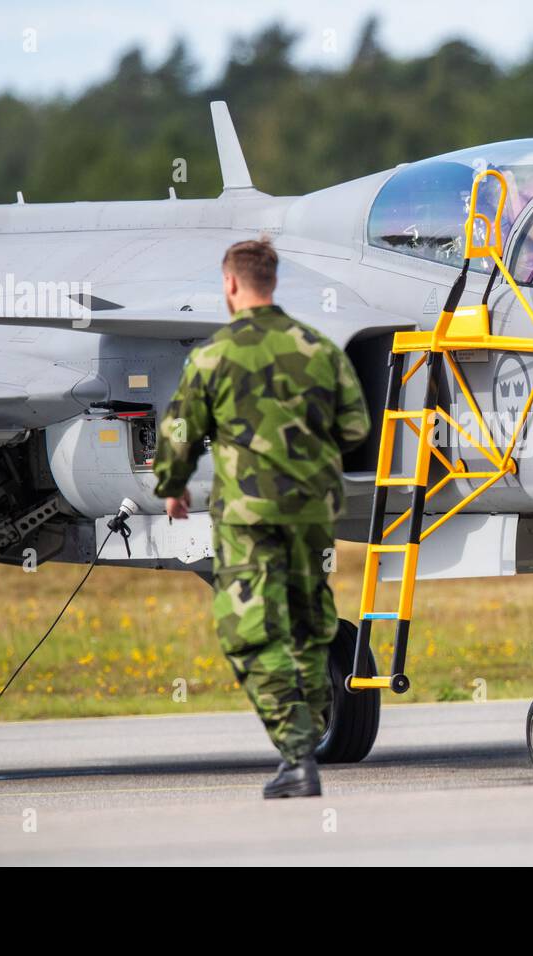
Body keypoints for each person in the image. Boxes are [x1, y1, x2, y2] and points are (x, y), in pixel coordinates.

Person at [153, 238, 370, 798]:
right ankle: (311, 738)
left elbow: (179, 431)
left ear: (230, 285)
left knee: (249, 631)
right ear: (273, 283)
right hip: (313, 513)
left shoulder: (212, 356)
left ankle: (298, 754)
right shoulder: (318, 347)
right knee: (309, 625)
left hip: (249, 518)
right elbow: (355, 430)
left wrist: (172, 486)